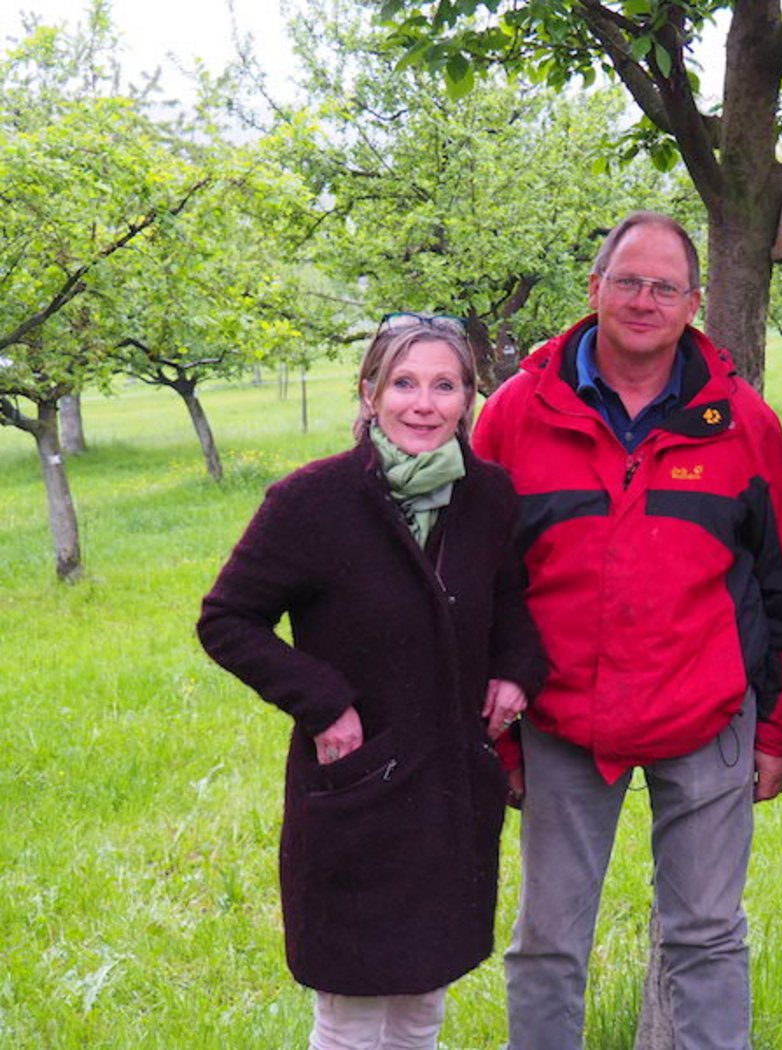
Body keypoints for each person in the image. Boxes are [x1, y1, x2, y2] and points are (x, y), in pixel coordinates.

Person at [471, 211, 782, 1050]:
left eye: (665, 286)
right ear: (593, 290)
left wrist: (776, 730)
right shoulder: (516, 413)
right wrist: (500, 740)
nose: (645, 300)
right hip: (559, 721)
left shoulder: (743, 423)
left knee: (706, 938)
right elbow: (477, 584)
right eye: (628, 281)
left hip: (707, 716)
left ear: (695, 302)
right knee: (546, 943)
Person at [197, 314, 548, 1050]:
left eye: (444, 385)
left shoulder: (488, 497)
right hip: (357, 786)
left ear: (468, 399)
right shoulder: (311, 502)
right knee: (352, 1010)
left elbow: (509, 598)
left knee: (423, 1000)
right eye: (405, 383)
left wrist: (516, 673)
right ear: (370, 393)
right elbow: (228, 620)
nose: (424, 404)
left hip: (449, 788)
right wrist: (324, 705)